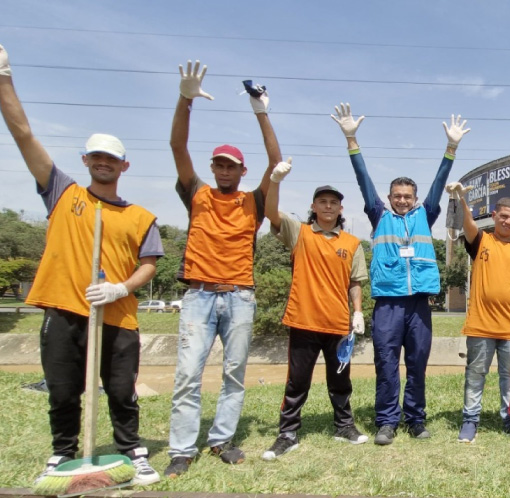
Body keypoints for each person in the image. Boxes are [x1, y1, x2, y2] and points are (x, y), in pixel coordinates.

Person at [0, 33, 162, 486]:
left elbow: (149, 265)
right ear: (85, 160)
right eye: (96, 157)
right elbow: (23, 133)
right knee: (62, 390)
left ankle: (131, 452)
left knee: (120, 391)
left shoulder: (141, 216)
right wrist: (2, 75)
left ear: (123, 166)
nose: (103, 163)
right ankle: (62, 454)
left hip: (116, 314)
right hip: (64, 308)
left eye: (111, 159)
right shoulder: (63, 193)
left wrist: (121, 287)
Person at [163, 62, 282, 477]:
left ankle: (222, 440)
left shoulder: (254, 202)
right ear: (213, 168)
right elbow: (178, 149)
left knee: (235, 374)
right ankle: (181, 448)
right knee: (187, 375)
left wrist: (261, 111)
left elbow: (275, 162)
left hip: (239, 295)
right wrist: (185, 99)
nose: (224, 170)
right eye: (219, 164)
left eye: (231, 165)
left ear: (241, 171)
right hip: (198, 294)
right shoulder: (197, 194)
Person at [330, 104, 468, 445]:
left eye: (408, 196)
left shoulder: (428, 213)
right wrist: (351, 139)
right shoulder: (380, 216)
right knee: (387, 364)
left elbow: (439, 184)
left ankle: (416, 419)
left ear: (416, 199)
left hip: (419, 305)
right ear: (389, 199)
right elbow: (363, 181)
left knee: (418, 365)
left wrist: (451, 149)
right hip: (389, 306)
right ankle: (387, 421)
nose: (402, 200)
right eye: (397, 196)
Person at [262, 161, 370, 460]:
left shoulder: (352, 243)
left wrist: (357, 313)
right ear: (313, 205)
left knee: (340, 381)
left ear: (340, 209)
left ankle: (344, 426)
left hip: (337, 325)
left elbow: (355, 282)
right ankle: (287, 433)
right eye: (322, 201)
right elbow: (271, 212)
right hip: (303, 320)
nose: (328, 206)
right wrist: (275, 182)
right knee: (297, 382)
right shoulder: (299, 232)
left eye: (333, 202)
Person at [447, 183, 510, 443]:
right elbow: (467, 224)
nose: (508, 221)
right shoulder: (481, 241)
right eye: (504, 217)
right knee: (475, 374)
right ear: (494, 216)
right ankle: (470, 420)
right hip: (481, 325)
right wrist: (462, 200)